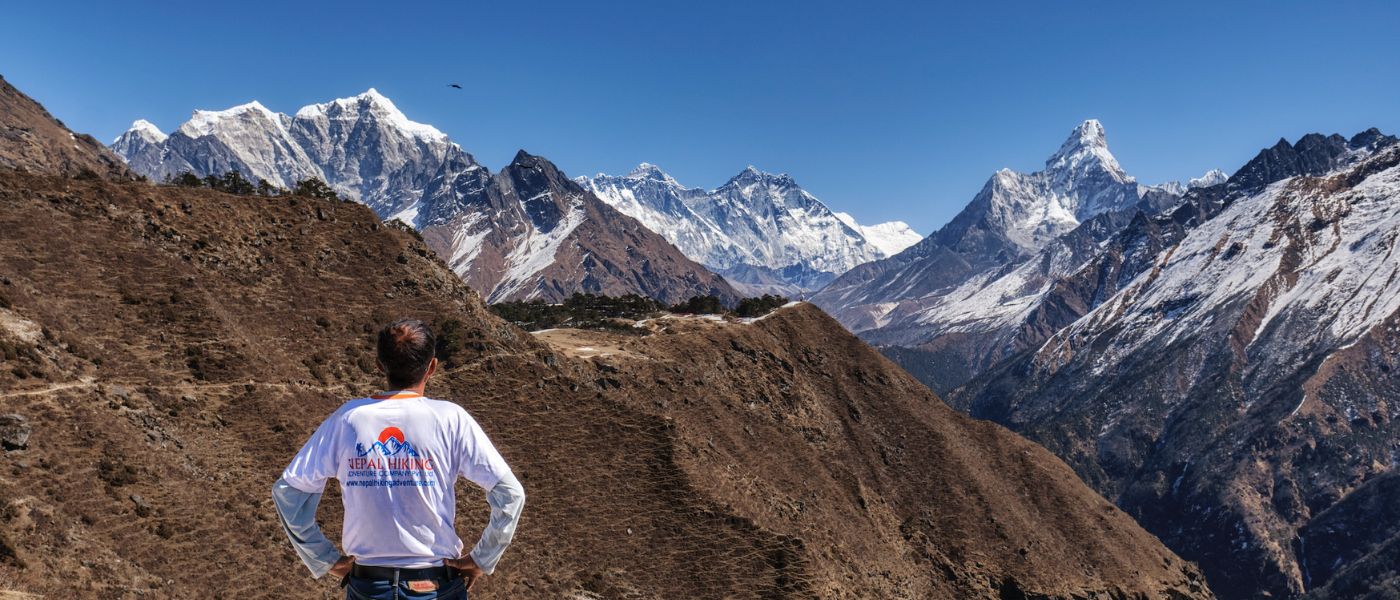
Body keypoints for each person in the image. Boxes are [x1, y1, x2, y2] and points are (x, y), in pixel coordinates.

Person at [272, 319, 525, 599]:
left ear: (379, 366)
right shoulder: (450, 419)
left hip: (368, 585)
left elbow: (289, 491)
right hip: (435, 585)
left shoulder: (348, 418)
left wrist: (324, 559)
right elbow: (510, 494)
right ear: (432, 367)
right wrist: (481, 559)